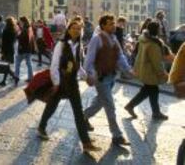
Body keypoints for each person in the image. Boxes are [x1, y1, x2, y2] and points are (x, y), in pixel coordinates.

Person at [38, 20, 100, 153]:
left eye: (79, 29)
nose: (77, 31)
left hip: (72, 83)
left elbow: (77, 66)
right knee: (52, 106)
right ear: (69, 29)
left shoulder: (79, 46)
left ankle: (86, 142)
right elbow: (54, 65)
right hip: (60, 82)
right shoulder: (61, 44)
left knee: (78, 112)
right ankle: (42, 126)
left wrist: (85, 77)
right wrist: (55, 83)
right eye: (74, 28)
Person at [83, 14, 132, 146]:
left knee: (99, 102)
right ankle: (117, 136)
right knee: (110, 105)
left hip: (111, 76)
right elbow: (89, 60)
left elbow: (120, 56)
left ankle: (82, 117)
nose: (113, 25)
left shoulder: (114, 39)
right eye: (110, 23)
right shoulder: (96, 39)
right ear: (103, 25)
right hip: (101, 78)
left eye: (114, 23)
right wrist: (90, 74)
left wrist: (128, 69)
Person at [124, 21, 169, 120]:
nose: (161, 29)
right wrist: (163, 73)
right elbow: (156, 61)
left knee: (149, 90)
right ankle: (154, 112)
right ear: (156, 30)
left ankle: (152, 112)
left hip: (144, 69)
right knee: (152, 90)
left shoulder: (144, 39)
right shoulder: (153, 44)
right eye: (159, 28)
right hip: (150, 71)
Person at [0, 17, 19, 87]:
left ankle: (6, 80)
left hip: (6, 50)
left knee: (6, 66)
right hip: (11, 49)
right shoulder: (14, 30)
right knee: (7, 65)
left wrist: (2, 51)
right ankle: (14, 77)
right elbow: (15, 40)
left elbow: (3, 42)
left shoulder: (5, 30)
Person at [15, 16, 35, 84]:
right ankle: (31, 78)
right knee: (29, 64)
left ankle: (16, 76)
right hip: (28, 49)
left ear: (23, 21)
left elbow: (22, 38)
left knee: (17, 63)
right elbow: (32, 39)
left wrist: (18, 33)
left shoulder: (25, 29)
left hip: (23, 49)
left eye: (20, 21)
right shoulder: (30, 28)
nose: (19, 23)